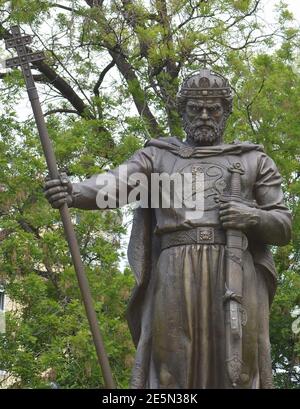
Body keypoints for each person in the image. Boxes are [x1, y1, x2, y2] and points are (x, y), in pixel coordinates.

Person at [44, 68, 291, 389]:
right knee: (170, 368)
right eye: (195, 109)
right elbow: (115, 185)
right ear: (183, 112)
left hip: (233, 272)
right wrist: (74, 191)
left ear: (226, 112)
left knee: (237, 369)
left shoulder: (253, 161)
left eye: (213, 109)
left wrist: (250, 216)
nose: (204, 116)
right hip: (175, 272)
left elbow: (283, 226)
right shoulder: (158, 157)